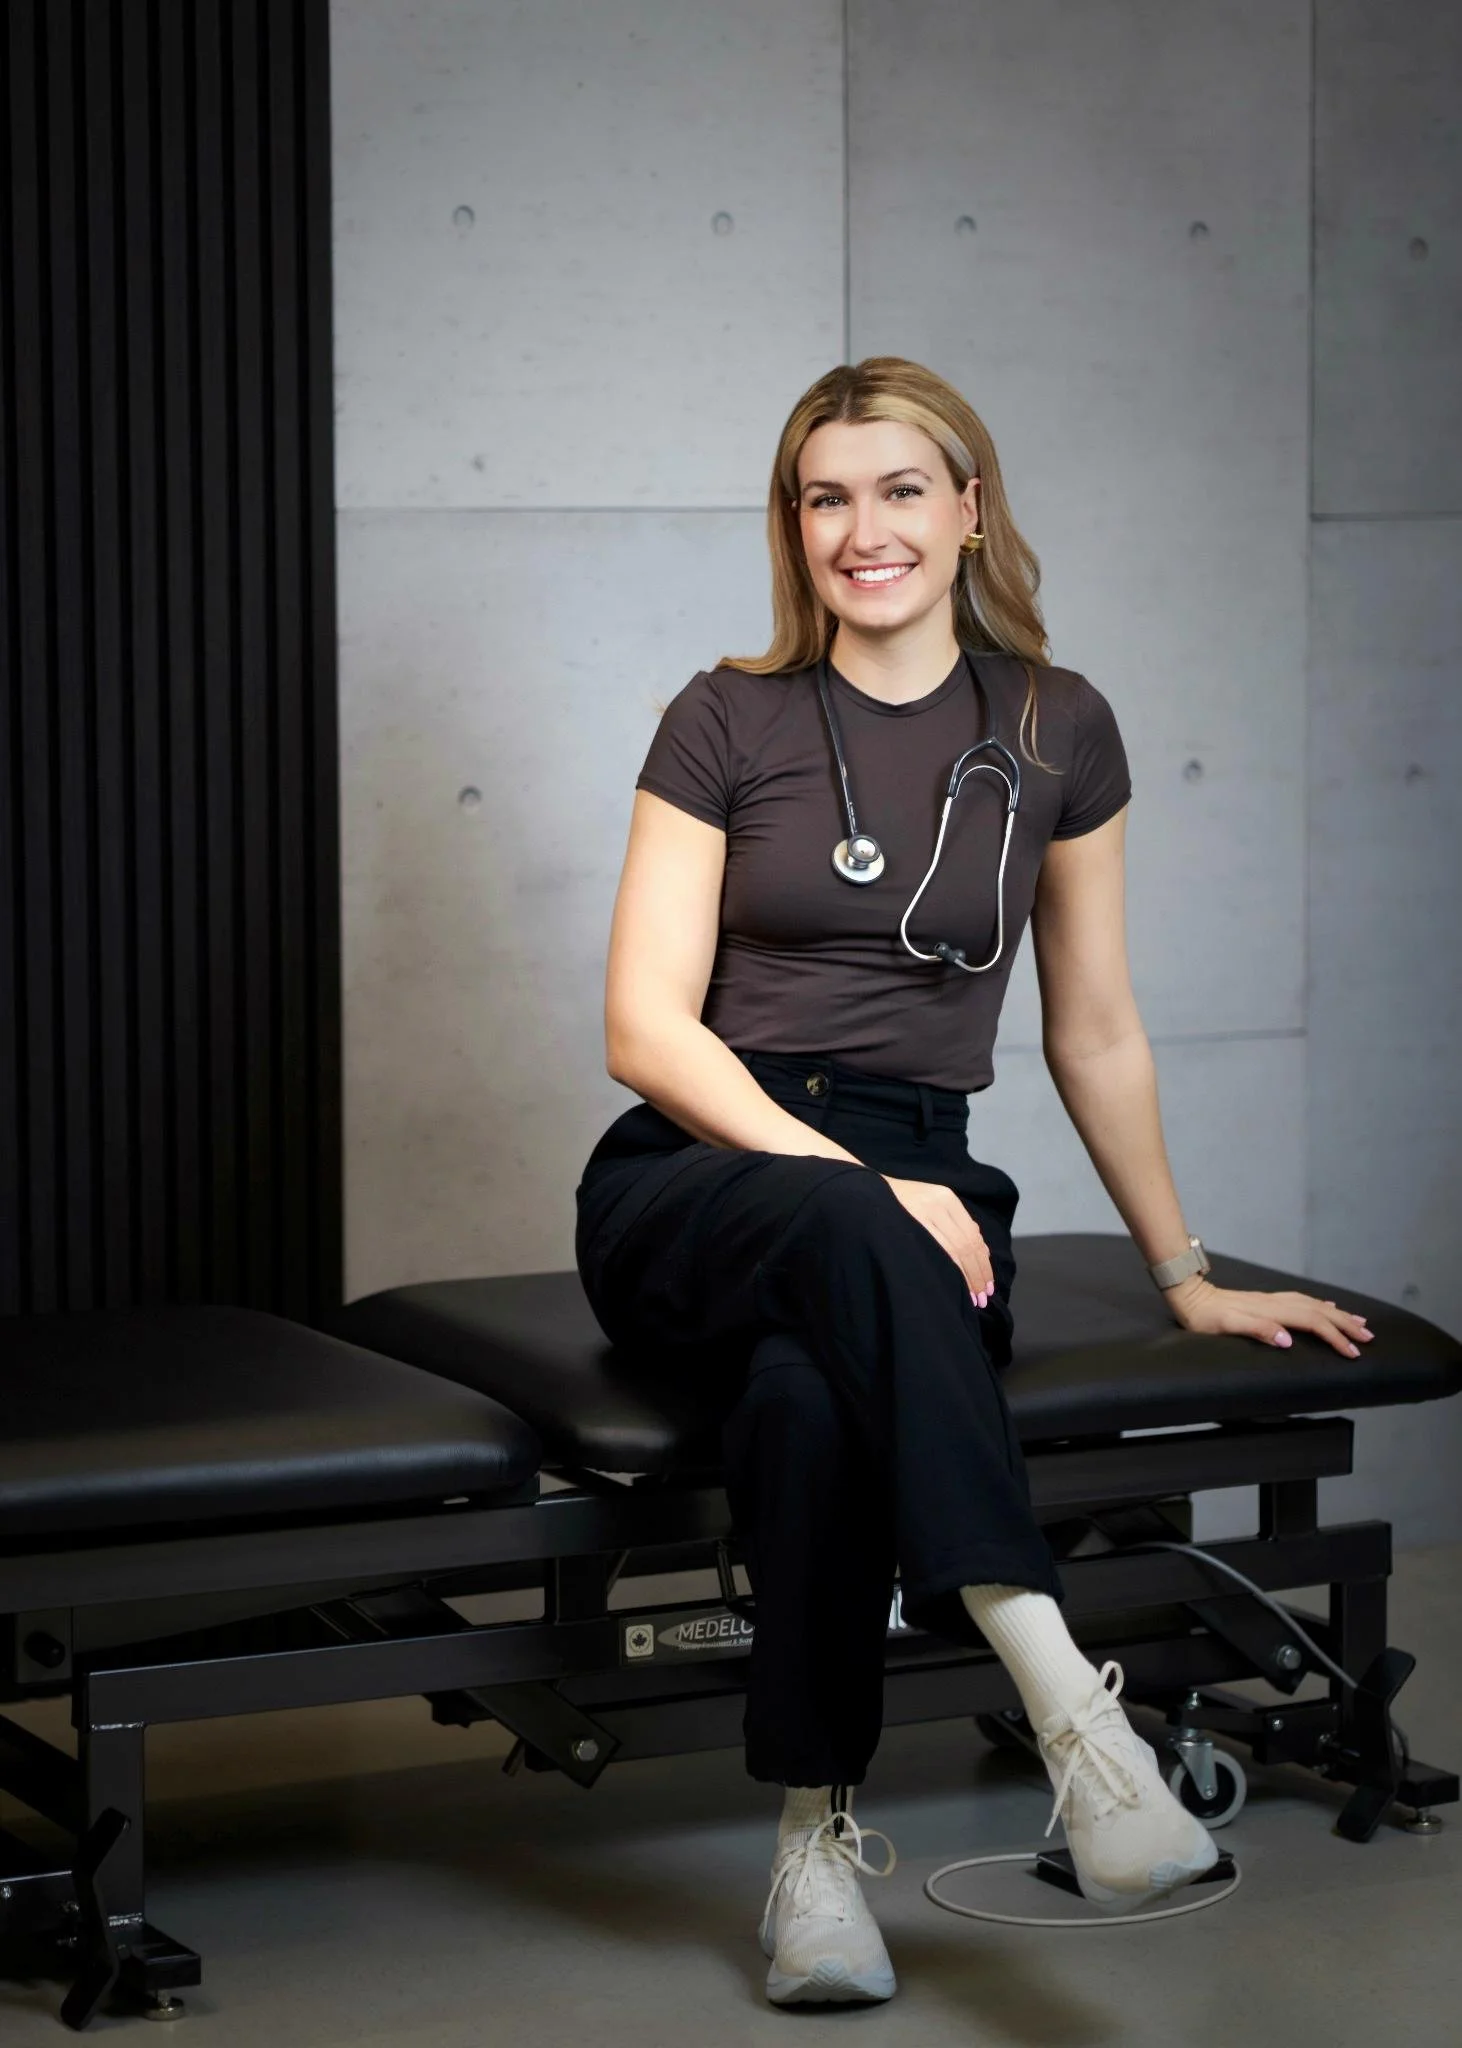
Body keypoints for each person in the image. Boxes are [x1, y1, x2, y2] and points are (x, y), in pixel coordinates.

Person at [573, 356, 1373, 2007]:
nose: (861, 530)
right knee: (848, 1241)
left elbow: (1094, 1029)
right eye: (824, 497)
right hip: (702, 1171)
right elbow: (645, 1032)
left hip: (917, 1162)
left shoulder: (1055, 725)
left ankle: (810, 1848)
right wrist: (856, 1187)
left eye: (898, 489)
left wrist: (1184, 1275)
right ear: (794, 526)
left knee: (806, 1403)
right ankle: (1074, 1718)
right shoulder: (721, 714)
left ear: (968, 509)